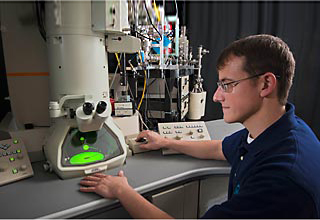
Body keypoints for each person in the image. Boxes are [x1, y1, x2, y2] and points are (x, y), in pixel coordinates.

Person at [79, 34, 320, 218]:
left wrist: (123, 191)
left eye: (228, 84)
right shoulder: (282, 131)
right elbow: (219, 149)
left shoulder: (280, 180)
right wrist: (166, 142)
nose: (216, 96)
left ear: (265, 84)